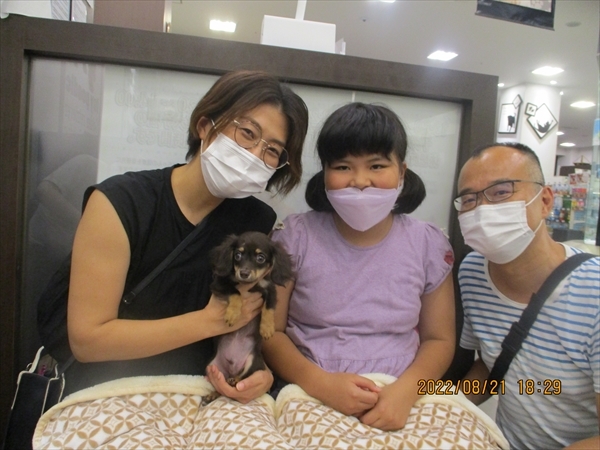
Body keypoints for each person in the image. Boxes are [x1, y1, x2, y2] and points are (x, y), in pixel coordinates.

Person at [58, 69, 309, 401]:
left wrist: (259, 373)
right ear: (205, 126)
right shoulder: (120, 203)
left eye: (272, 151)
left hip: (203, 392)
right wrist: (207, 321)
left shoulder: (256, 220)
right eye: (247, 133)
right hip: (108, 391)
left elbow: (245, 322)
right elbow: (87, 341)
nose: (255, 156)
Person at [263, 102, 456, 431]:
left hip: (406, 394)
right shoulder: (294, 237)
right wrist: (321, 384)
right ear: (325, 173)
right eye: (342, 167)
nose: (361, 180)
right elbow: (271, 332)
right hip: (308, 390)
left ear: (402, 172)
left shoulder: (428, 244)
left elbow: (439, 340)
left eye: (377, 165)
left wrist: (405, 393)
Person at [455, 143, 599, 450]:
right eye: (469, 199)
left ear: (545, 201)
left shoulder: (594, 291)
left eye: (501, 192)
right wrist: (442, 404)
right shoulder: (472, 273)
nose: (482, 209)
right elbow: (494, 365)